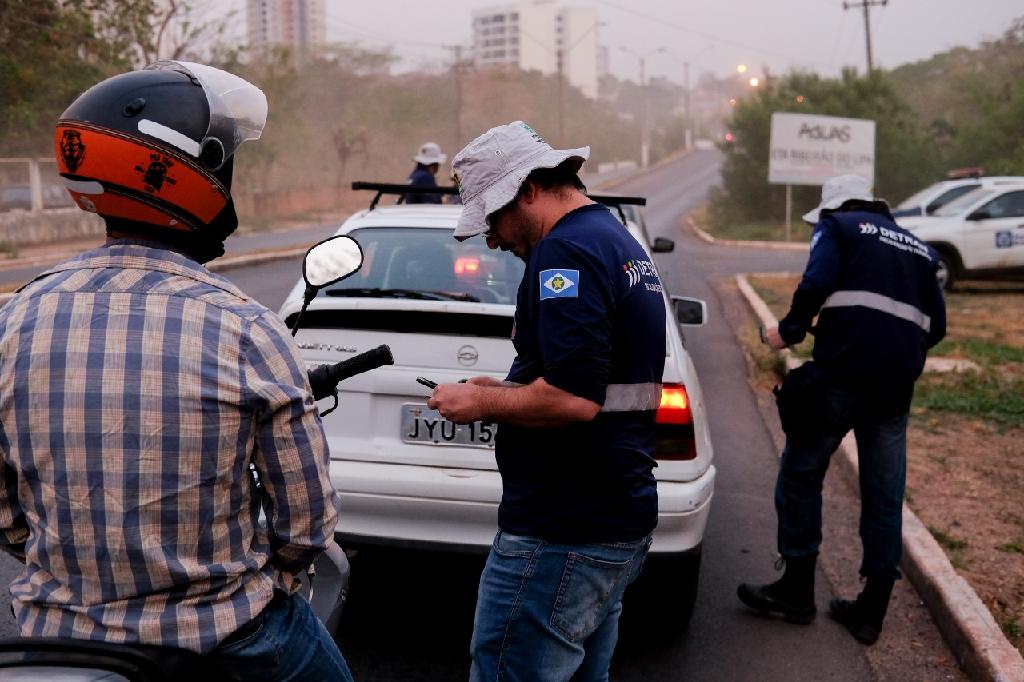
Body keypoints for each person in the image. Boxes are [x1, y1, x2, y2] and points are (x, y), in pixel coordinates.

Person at [0, 61, 353, 680]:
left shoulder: (15, 316)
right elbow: (306, 521)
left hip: (55, 637)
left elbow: (6, 514)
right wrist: (274, 575)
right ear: (192, 172)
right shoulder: (247, 327)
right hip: (226, 639)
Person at [427, 121, 666, 681]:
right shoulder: (612, 236)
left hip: (563, 528)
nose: (491, 238)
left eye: (493, 217)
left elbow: (575, 401)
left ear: (528, 189)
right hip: (611, 513)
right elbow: (594, 384)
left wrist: (483, 406)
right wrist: (503, 391)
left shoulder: (564, 255)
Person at [737, 174, 946, 646]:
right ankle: (870, 612)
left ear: (834, 207)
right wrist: (894, 347)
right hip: (894, 388)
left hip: (842, 377)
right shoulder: (920, 248)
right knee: (884, 495)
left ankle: (796, 593)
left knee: (801, 473)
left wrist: (788, 331)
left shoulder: (838, 228)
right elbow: (937, 327)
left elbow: (817, 282)